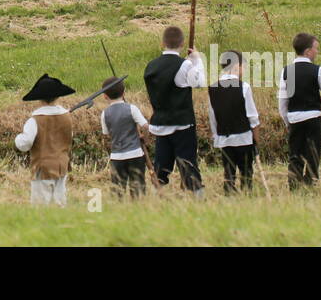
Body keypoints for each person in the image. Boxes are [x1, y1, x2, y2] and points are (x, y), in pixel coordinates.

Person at [144, 26, 206, 196]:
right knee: (188, 164)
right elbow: (199, 82)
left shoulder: (151, 66)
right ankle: (198, 200)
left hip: (160, 123)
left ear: (162, 43)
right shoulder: (184, 65)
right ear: (182, 43)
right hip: (182, 124)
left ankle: (157, 199)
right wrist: (197, 61)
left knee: (161, 166)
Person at [278, 32, 321, 188]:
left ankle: (294, 185)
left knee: (295, 155)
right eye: (316, 49)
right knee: (313, 154)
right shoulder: (317, 70)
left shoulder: (287, 71)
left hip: (294, 118)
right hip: (313, 118)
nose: (317, 52)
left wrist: (287, 121)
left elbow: (283, 101)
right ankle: (310, 184)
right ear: (308, 51)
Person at [15, 74, 75, 206]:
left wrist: (18, 139)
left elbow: (25, 144)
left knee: (40, 205)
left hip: (42, 169)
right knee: (59, 202)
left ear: (39, 99)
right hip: (62, 165)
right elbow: (69, 137)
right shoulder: (67, 118)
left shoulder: (34, 120)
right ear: (58, 96)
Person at [207, 50, 260, 193]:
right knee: (246, 171)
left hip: (224, 138)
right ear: (236, 66)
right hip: (243, 137)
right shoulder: (244, 87)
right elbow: (252, 117)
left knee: (228, 171)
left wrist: (215, 134)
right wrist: (256, 139)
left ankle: (229, 192)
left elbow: (212, 115)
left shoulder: (212, 88)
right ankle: (247, 193)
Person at [99, 77, 150, 197]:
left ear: (105, 96)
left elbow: (106, 134)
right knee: (138, 191)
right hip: (136, 154)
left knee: (118, 191)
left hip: (117, 157)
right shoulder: (132, 108)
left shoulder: (104, 114)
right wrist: (144, 138)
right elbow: (145, 126)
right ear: (124, 93)